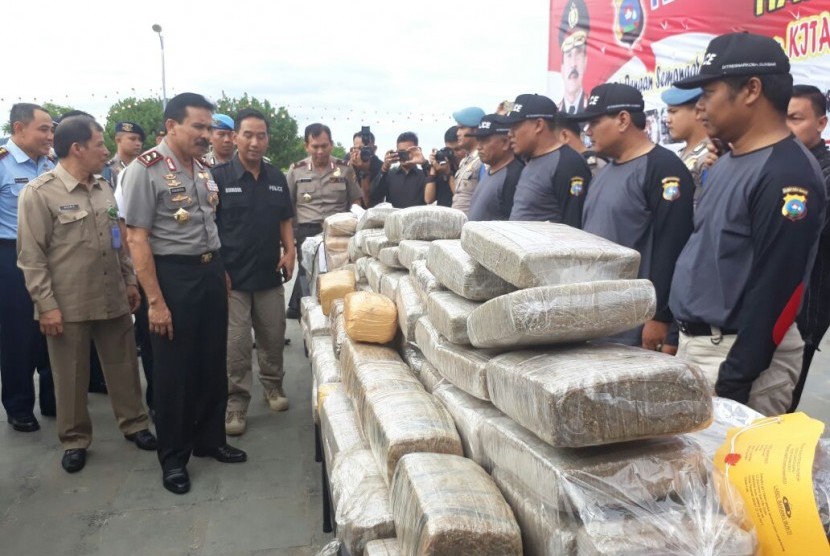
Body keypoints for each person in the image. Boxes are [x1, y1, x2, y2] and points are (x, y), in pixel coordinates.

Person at [669, 33, 825, 416]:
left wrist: (736, 380)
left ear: (752, 89)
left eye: (709, 93)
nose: (700, 107)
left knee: (733, 476)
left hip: (739, 360)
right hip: (701, 347)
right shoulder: (726, 162)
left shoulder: (788, 174)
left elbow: (778, 289)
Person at [123, 93, 247, 495]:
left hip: (210, 270)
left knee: (213, 360)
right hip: (172, 276)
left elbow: (209, 223)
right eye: (199, 126)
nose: (207, 134)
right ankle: (174, 457)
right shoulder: (146, 170)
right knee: (174, 371)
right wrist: (155, 301)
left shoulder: (205, 168)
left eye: (209, 127)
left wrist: (221, 271)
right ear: (172, 125)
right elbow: (137, 239)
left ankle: (211, 439)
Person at [16, 115, 156, 474]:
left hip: (111, 294)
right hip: (68, 302)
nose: (106, 150)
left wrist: (128, 280)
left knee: (124, 365)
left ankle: (135, 424)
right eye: (99, 144)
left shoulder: (103, 187)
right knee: (70, 375)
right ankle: (75, 439)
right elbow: (31, 258)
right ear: (77, 148)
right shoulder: (39, 193)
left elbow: (117, 241)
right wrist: (46, 306)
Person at [567, 83, 695, 350]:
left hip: (635, 328)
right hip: (596, 319)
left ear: (623, 120)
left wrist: (660, 317)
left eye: (594, 122)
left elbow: (673, 246)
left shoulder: (662, 168)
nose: (588, 132)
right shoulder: (604, 172)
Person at [213, 109, 295, 435]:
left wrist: (289, 251)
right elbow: (208, 227)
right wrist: (217, 267)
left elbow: (284, 219)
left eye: (261, 135)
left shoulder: (277, 178)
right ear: (234, 137)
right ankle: (236, 403)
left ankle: (273, 387)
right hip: (232, 278)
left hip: (268, 274)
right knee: (235, 345)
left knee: (273, 337)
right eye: (248, 134)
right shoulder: (218, 178)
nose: (255, 142)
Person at [0, 103, 56, 432]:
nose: (50, 136)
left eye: (51, 130)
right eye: (44, 129)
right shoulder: (3, 163)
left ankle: (52, 398)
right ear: (19, 130)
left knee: (52, 328)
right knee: (18, 333)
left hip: (51, 256)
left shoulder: (49, 163)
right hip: (11, 256)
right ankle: (20, 405)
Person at [285, 124, 361, 319]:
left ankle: (334, 314)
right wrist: (291, 237)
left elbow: (355, 201)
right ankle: (307, 316)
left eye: (324, 146)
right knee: (307, 276)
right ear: (306, 146)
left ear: (331, 145)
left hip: (338, 232)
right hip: (307, 231)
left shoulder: (345, 170)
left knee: (337, 275)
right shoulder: (296, 170)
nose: (320, 151)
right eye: (315, 146)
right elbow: (288, 205)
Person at [787, 85, 830, 411]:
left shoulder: (823, 173)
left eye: (796, 118)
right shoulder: (779, 167)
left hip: (808, 309)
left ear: (821, 123)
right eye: (782, 118)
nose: (787, 127)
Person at [500, 93, 592, 227]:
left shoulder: (568, 164)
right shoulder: (530, 161)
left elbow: (574, 226)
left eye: (515, 126)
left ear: (538, 125)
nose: (509, 133)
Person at [467, 114, 523, 221]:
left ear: (505, 142)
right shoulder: (490, 171)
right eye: (478, 140)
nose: (479, 146)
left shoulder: (514, 176)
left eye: (485, 140)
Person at [661, 87, 710, 206]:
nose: (667, 120)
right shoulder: (682, 154)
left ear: (697, 111)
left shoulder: (710, 155)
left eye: (673, 112)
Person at [371, 132, 429, 208]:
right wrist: (384, 168)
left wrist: (424, 163)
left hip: (417, 218)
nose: (404, 155)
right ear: (396, 152)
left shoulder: (424, 175)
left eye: (408, 152)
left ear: (416, 151)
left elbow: (435, 185)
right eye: (401, 152)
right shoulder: (389, 175)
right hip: (394, 218)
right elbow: (375, 194)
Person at [448, 107, 485, 214]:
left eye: (462, 128)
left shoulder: (483, 161)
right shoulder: (465, 161)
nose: (457, 133)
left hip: (471, 224)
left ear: (476, 130)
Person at [558, 0, 590, 114]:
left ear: (585, 61)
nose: (573, 64)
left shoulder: (594, 113)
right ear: (561, 68)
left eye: (578, 53)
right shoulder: (553, 116)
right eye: (569, 55)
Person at [425, 126, 465, 207]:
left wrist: (449, 174)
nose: (453, 154)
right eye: (449, 150)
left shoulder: (469, 167)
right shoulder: (443, 167)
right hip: (444, 217)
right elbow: (428, 199)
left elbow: (461, 199)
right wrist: (433, 168)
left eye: (457, 149)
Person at [103, 121, 145, 188]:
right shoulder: (109, 169)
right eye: (133, 139)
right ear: (118, 140)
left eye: (140, 140)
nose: (138, 143)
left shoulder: (143, 166)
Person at [349, 128, 382, 208]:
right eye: (358, 149)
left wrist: (365, 171)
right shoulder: (349, 160)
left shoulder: (380, 166)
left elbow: (368, 203)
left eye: (364, 149)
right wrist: (350, 168)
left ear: (374, 149)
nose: (361, 153)